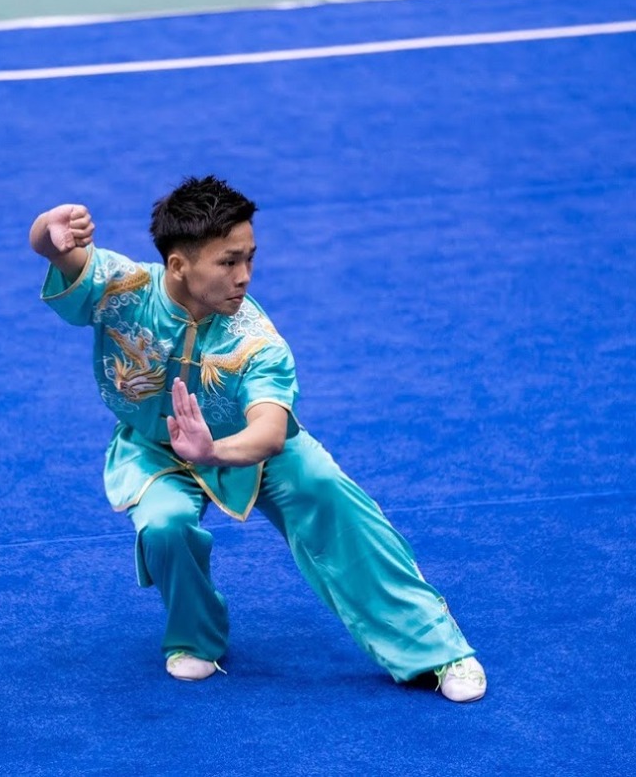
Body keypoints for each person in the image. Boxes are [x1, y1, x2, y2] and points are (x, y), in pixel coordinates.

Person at [29, 175, 486, 702]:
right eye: (228, 262)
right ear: (177, 266)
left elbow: (269, 432)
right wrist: (47, 229)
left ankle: (437, 648)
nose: (244, 276)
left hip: (247, 448)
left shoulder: (256, 341)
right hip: (154, 445)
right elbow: (58, 252)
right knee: (164, 524)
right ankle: (194, 637)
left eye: (249, 258)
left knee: (328, 492)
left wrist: (213, 451)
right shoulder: (121, 287)